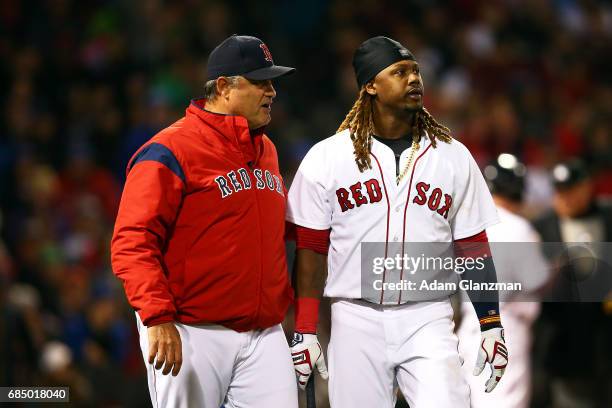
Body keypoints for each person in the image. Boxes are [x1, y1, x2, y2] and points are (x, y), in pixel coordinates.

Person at [287, 36, 508, 407]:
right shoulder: (327, 158)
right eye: (399, 72)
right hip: (354, 318)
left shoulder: (452, 156)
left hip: (429, 316)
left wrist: (491, 321)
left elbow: (473, 246)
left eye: (416, 71)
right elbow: (311, 248)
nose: (414, 79)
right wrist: (305, 329)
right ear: (370, 85)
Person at [110, 34, 298, 408]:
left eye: (272, 81)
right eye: (260, 81)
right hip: (190, 330)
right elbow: (133, 240)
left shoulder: (267, 150)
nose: (272, 91)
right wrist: (157, 317)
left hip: (264, 334)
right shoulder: (170, 150)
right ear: (225, 87)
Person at [457, 153, 549, 408]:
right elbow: (538, 280)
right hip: (505, 331)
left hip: (469, 330)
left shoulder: (469, 228)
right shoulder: (520, 228)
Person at [533, 159, 612, 407]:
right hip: (565, 340)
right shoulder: (541, 227)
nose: (565, 197)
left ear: (587, 187)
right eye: (559, 191)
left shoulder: (607, 216)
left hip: (605, 335)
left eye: (571, 189)